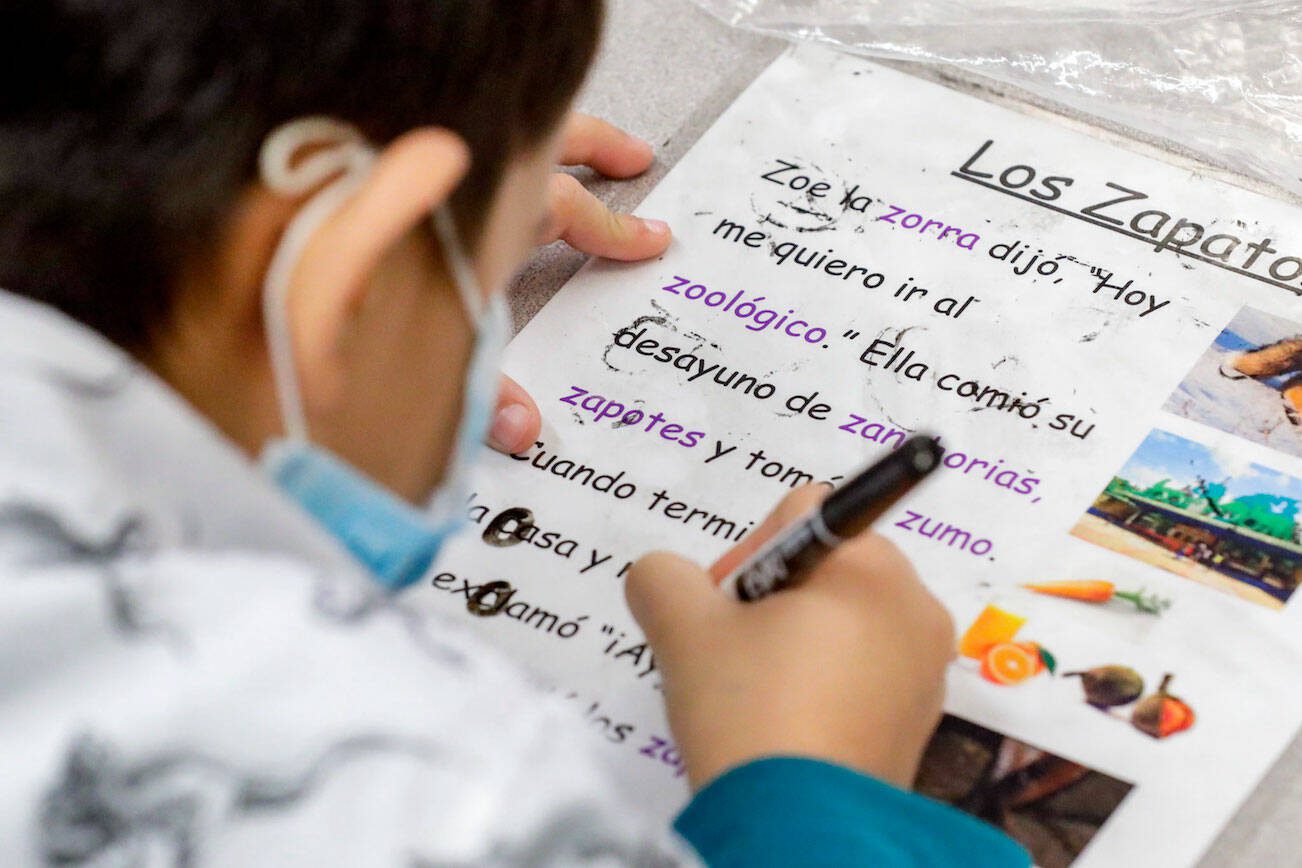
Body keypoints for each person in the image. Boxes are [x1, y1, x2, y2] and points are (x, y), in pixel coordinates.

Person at [0, 2, 1029, 865]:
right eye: (487, 283)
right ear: (345, 290)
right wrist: (817, 791)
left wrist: (419, 268)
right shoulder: (435, 798)